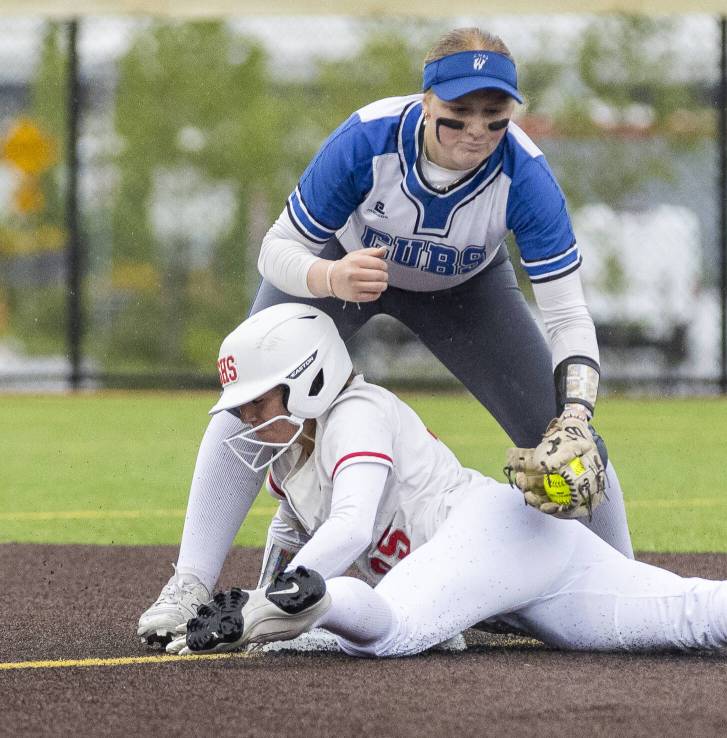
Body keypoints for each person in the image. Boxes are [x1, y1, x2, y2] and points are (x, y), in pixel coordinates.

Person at [138, 26, 636, 649]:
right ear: (426, 101)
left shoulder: (525, 174)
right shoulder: (368, 137)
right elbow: (275, 250)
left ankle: (630, 582)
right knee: (250, 399)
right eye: (458, 116)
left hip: (467, 291)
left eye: (494, 117)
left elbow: (567, 316)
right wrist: (330, 274)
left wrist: (578, 412)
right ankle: (188, 584)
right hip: (341, 268)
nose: (476, 132)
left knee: (571, 443)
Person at [164, 304, 727, 666]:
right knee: (696, 613)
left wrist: (282, 604)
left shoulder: (355, 417)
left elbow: (354, 528)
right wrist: (261, 606)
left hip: (486, 534)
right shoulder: (296, 449)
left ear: (309, 379)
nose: (246, 417)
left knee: (392, 632)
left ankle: (322, 609)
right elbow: (296, 534)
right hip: (518, 553)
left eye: (258, 399)